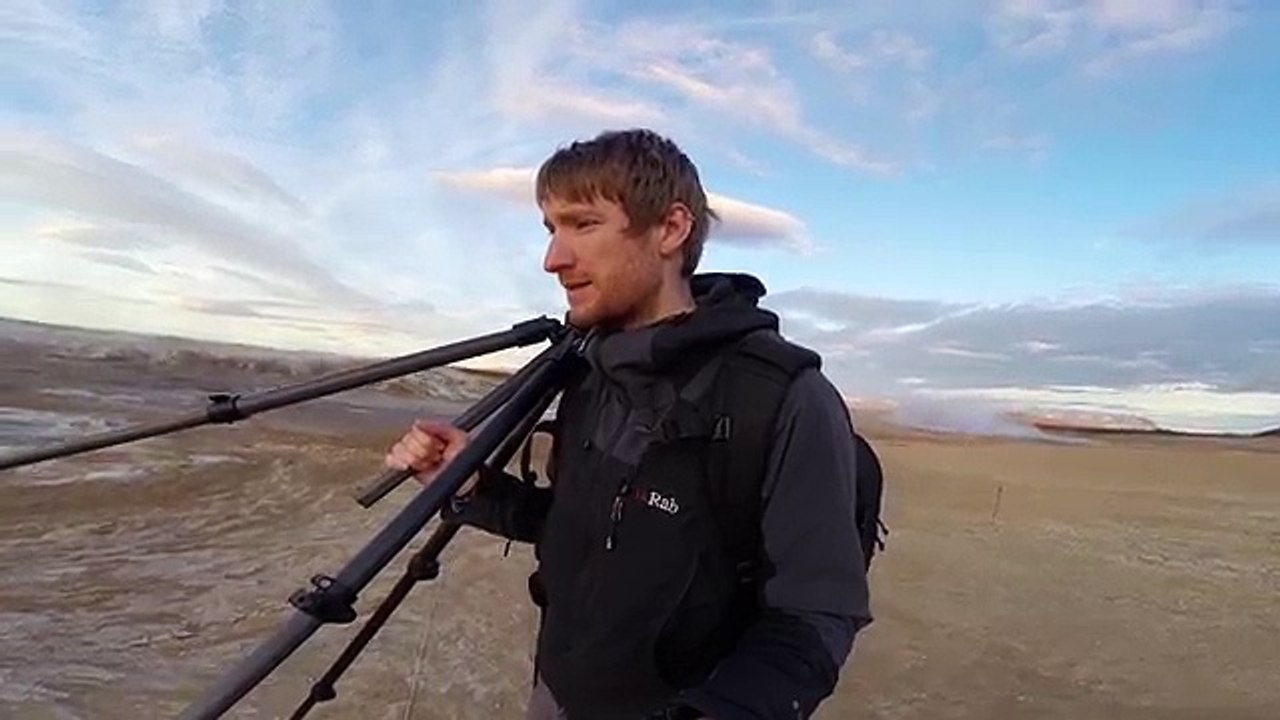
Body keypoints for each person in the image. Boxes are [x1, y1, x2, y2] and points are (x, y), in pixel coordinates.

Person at [385, 128, 873, 719]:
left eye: (583, 225)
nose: (553, 260)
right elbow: (584, 526)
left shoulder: (781, 397)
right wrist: (473, 485)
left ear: (670, 229)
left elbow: (818, 612)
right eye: (550, 230)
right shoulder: (590, 374)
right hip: (559, 694)